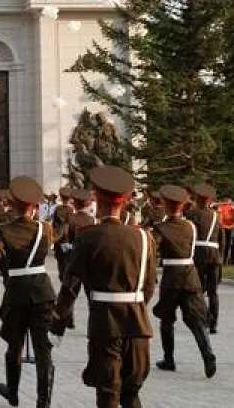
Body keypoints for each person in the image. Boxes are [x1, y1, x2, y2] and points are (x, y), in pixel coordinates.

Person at [52, 164, 157, 408]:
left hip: (104, 324)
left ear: (97, 199)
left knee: (108, 392)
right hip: (138, 325)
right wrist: (135, 305)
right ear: (126, 201)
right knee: (131, 393)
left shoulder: (88, 236)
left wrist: (57, 326)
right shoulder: (144, 237)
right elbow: (149, 285)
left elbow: (70, 286)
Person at [0, 176, 56, 408]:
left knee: (15, 345)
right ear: (34, 205)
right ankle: (43, 402)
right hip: (43, 291)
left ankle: (12, 393)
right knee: (43, 349)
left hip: (16, 294)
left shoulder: (3, 231)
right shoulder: (46, 229)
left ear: (11, 203)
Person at [149, 184, 216, 377]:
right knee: (196, 320)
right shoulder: (190, 226)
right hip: (191, 274)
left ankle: (169, 359)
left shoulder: (160, 228)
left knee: (167, 319)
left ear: (165, 204)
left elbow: (153, 253)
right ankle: (207, 354)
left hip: (172, 276)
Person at [187, 183, 223, 334]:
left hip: (199, 253)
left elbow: (188, 235)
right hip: (214, 254)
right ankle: (214, 323)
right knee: (213, 291)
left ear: (197, 198)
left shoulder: (191, 214)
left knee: (199, 289)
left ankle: (203, 318)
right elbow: (222, 237)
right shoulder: (216, 215)